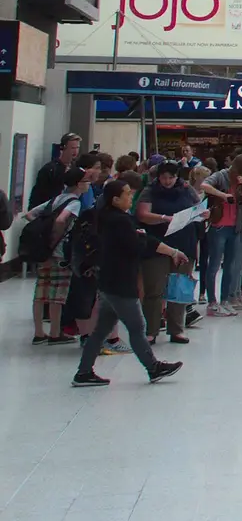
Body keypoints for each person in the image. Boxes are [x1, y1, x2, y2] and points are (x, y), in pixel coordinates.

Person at [71, 177, 187, 387]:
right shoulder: (120, 221)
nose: (131, 197)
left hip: (108, 281)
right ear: (115, 199)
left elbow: (139, 241)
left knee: (100, 331)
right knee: (137, 326)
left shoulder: (107, 218)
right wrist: (142, 238)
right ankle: (153, 367)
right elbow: (136, 247)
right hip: (121, 283)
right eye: (127, 194)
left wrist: (166, 249)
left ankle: (83, 371)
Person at [134, 160, 199, 346]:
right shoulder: (150, 191)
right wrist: (164, 218)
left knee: (179, 287)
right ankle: (151, 330)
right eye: (164, 178)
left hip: (184, 242)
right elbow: (142, 214)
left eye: (171, 177)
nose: (168, 181)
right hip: (157, 245)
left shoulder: (187, 189)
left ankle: (177, 329)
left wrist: (201, 215)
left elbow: (198, 208)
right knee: (154, 288)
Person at [25, 166, 89, 345]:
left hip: (44, 252)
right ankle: (54, 332)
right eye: (86, 181)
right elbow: (62, 220)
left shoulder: (55, 199)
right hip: (60, 253)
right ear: (79, 184)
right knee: (57, 295)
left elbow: (30, 214)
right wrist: (55, 237)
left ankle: (39, 332)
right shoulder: (74, 202)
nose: (88, 185)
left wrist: (43, 232)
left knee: (41, 292)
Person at [200, 155, 242, 315]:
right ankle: (212, 301)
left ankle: (225, 299)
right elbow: (204, 185)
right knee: (214, 265)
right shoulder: (220, 175)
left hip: (235, 227)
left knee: (230, 266)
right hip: (218, 226)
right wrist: (223, 195)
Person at [29, 132, 81, 209]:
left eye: (77, 148)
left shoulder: (75, 167)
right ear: (63, 148)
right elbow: (39, 194)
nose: (75, 151)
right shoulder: (50, 169)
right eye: (73, 148)